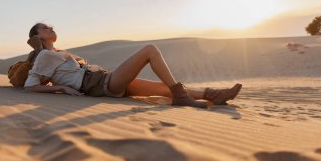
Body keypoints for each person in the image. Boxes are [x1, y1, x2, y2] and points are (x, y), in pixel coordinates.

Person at [24, 22, 242, 108]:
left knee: (162, 88)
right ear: (37, 36)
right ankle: (182, 97)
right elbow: (30, 86)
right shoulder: (44, 55)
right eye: (45, 28)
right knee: (150, 50)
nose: (51, 28)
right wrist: (61, 88)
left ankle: (215, 94)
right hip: (98, 84)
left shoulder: (58, 53)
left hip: (104, 79)